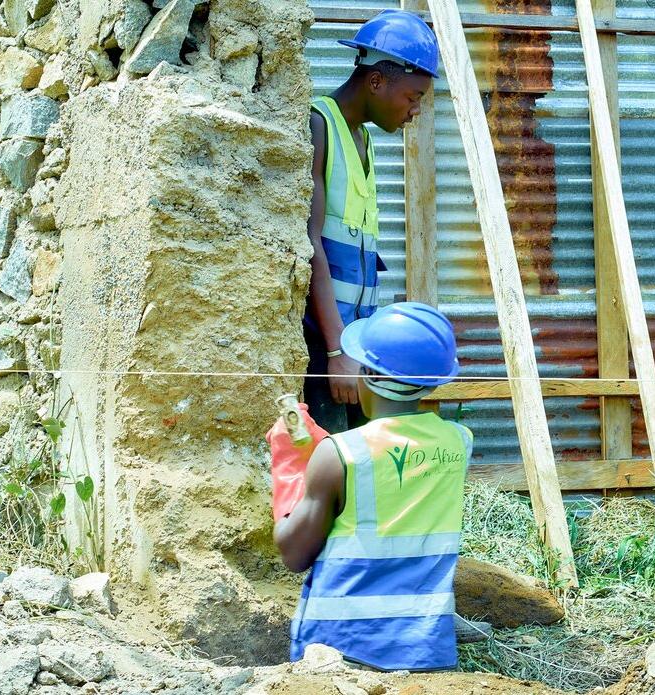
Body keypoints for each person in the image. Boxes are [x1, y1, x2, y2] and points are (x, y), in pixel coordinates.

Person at [274, 302, 473, 671]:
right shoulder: (459, 442)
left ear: (372, 375)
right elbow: (393, 468)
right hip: (423, 649)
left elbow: (293, 554)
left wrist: (291, 467)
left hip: (341, 651)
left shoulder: (340, 454)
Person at [305, 9, 439, 433]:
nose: (415, 110)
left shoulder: (363, 140)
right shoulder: (318, 126)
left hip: (354, 347)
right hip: (321, 344)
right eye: (413, 97)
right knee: (329, 463)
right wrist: (333, 350)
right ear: (377, 81)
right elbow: (311, 248)